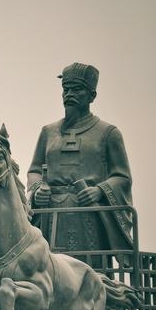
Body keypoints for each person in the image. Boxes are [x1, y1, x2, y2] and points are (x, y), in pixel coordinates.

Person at [27, 62, 133, 268]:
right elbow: (34, 170)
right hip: (50, 215)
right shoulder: (48, 132)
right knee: (46, 269)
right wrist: (38, 188)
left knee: (89, 271)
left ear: (92, 96)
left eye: (77, 89)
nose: (69, 94)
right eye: (66, 89)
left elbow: (122, 177)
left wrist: (100, 191)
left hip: (89, 214)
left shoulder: (108, 133)